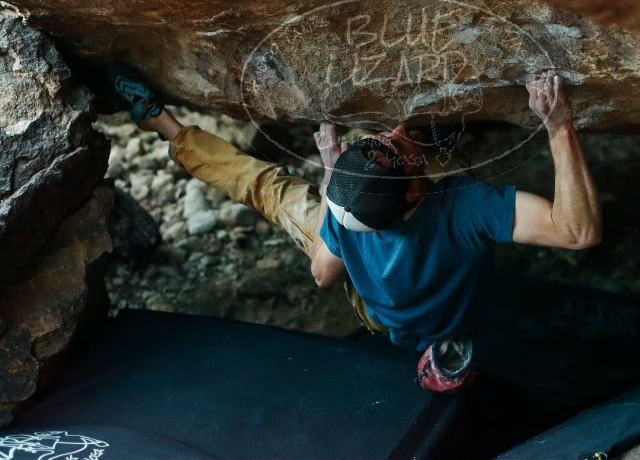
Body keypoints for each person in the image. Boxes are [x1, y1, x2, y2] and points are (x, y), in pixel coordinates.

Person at [105, 63, 601, 393]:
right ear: (412, 191)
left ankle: (166, 128)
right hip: (446, 322)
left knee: (263, 186)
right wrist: (558, 125)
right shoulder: (465, 207)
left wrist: (330, 173)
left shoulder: (345, 213)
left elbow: (324, 275)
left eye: (389, 141)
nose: (401, 132)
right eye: (402, 149)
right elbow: (577, 232)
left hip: (375, 306)